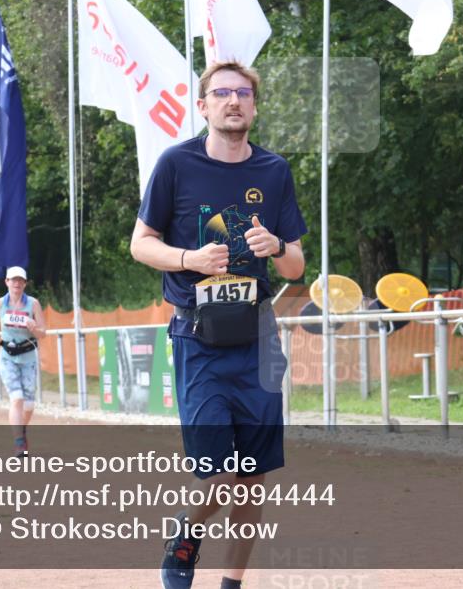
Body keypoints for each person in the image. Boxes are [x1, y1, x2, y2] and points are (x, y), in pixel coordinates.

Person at [130, 61, 307, 589]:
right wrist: (189, 259)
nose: (233, 101)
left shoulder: (274, 171)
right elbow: (141, 244)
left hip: (257, 337)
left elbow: (296, 265)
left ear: (254, 106)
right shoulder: (176, 164)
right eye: (222, 93)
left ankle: (232, 583)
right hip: (199, 338)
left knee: (252, 479)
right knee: (217, 474)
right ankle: (186, 535)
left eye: (243, 94)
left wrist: (276, 246)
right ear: (203, 105)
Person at [0, 266, 47, 456]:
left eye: (20, 280)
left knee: (28, 406)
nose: (17, 283)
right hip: (8, 356)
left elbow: (43, 333)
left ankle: (21, 430)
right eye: (13, 280)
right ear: (6, 282)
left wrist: (34, 328)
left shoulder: (33, 304)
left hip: (28, 357)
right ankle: (19, 442)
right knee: (16, 398)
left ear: (25, 283)